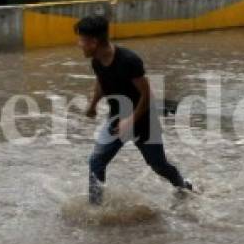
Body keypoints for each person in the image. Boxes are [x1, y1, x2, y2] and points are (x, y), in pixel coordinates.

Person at [78, 15, 193, 204]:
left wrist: (130, 121)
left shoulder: (129, 61)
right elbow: (101, 81)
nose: (79, 44)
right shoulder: (96, 61)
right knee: (96, 162)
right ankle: (95, 207)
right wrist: (92, 105)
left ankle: (183, 187)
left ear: (94, 42)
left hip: (144, 122)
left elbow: (147, 95)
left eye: (81, 40)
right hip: (116, 120)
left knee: (159, 166)